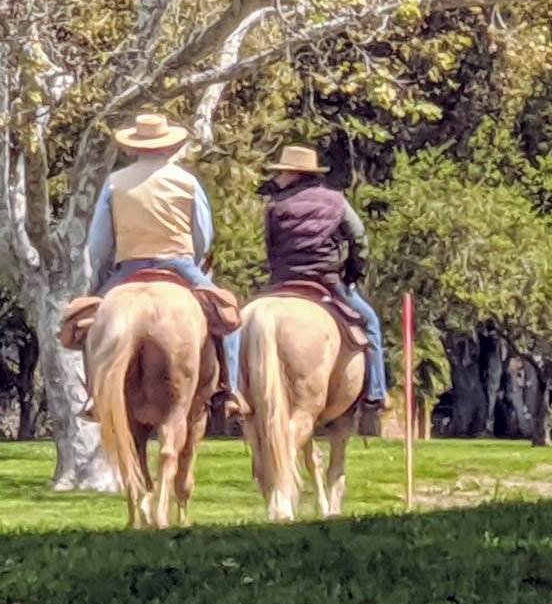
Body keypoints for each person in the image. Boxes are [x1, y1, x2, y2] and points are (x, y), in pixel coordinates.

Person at [83, 113, 248, 419]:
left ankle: (94, 394)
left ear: (134, 148)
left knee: (91, 320)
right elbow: (204, 234)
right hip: (179, 264)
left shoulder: (115, 183)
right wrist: (196, 262)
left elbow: (99, 241)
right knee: (227, 320)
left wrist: (99, 276)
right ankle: (229, 391)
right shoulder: (187, 182)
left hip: (128, 267)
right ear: (169, 147)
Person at [259, 145, 388, 409]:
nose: (280, 177)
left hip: (283, 280)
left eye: (283, 172)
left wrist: (279, 273)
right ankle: (376, 391)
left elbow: (270, 246)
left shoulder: (275, 206)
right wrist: (353, 274)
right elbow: (359, 239)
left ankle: (234, 388)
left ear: (294, 175)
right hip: (326, 280)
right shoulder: (337, 201)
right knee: (370, 322)